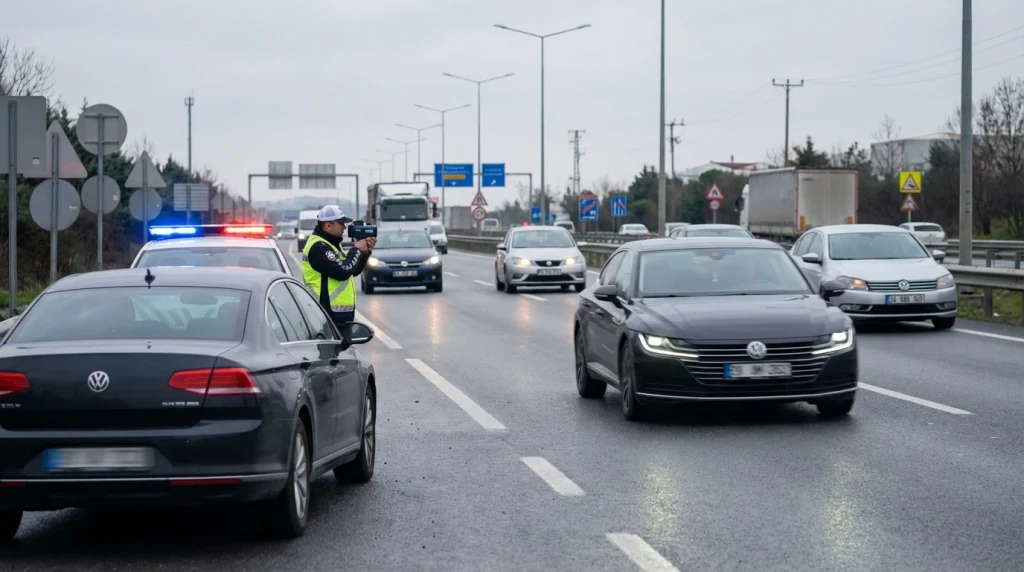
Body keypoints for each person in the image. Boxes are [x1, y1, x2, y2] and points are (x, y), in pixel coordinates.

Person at [300, 205, 377, 329]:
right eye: (341, 223)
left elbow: (352, 270)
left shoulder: (332, 244)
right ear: (328, 226)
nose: (344, 227)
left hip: (337, 313)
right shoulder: (319, 247)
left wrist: (365, 252)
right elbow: (342, 271)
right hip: (325, 313)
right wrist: (356, 249)